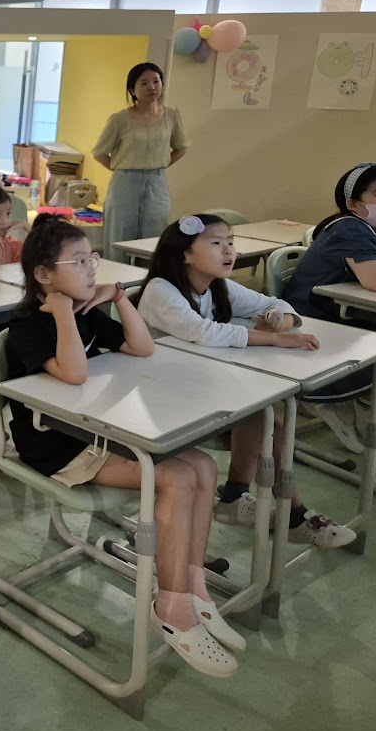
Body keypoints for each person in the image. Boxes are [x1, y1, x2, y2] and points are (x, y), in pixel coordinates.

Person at [6, 214, 242, 678]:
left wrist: (117, 297)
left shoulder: (86, 312)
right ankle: (171, 610)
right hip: (58, 447)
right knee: (176, 478)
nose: (91, 269)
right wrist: (60, 312)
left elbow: (141, 348)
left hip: (96, 432)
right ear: (44, 275)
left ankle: (193, 584)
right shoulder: (28, 325)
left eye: (90, 259)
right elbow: (74, 373)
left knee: (203, 468)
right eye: (78, 261)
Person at [136, 214, 355, 549]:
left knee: (266, 414)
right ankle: (287, 514)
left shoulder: (217, 286)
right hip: (162, 401)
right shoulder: (160, 290)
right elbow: (203, 332)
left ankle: (242, 499)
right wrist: (275, 339)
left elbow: (274, 303)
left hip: (200, 387)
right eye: (216, 243)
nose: (229, 251)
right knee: (269, 418)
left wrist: (279, 321)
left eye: (230, 242)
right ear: (184, 253)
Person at [284, 162, 376, 459]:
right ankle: (350, 409)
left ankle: (362, 409)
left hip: (357, 313)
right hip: (319, 318)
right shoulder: (349, 229)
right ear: (353, 204)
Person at [92, 62, 190, 261]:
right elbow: (99, 152)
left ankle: (149, 279)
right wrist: (123, 168)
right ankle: (117, 277)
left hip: (157, 182)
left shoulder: (172, 116)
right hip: (125, 183)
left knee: (154, 234)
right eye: (144, 83)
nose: (151, 87)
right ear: (132, 90)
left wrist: (159, 165)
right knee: (119, 234)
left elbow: (181, 147)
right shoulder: (119, 119)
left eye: (156, 81)